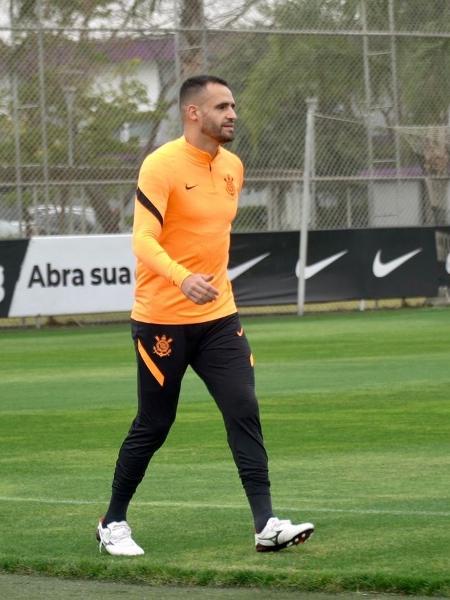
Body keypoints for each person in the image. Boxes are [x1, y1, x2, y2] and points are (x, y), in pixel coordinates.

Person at [96, 75, 314, 556]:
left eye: (234, 105)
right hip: (162, 321)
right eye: (222, 106)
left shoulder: (234, 166)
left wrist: (206, 285)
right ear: (193, 113)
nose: (233, 113)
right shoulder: (161, 165)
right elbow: (142, 240)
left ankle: (266, 524)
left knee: (244, 409)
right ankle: (112, 522)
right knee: (154, 424)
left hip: (219, 316)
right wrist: (181, 277)